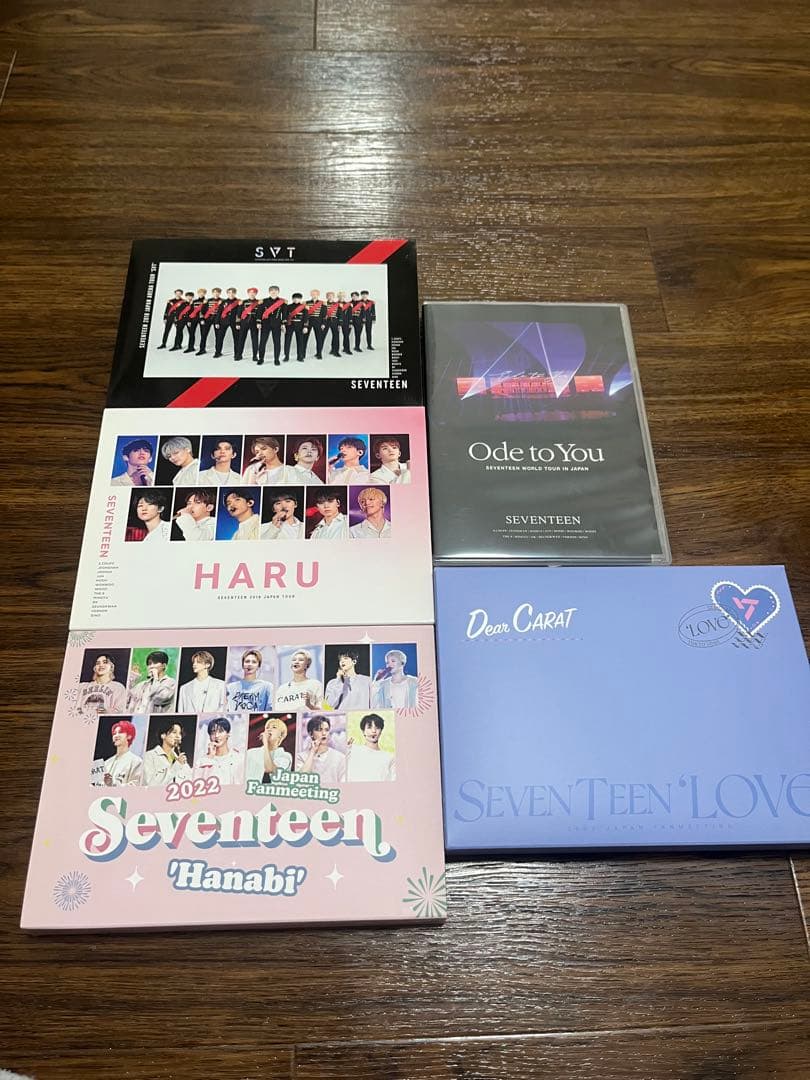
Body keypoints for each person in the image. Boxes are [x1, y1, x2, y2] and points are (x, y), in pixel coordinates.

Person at [142, 718, 192, 787]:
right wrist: (177, 765)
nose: (178, 736)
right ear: (163, 735)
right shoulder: (150, 756)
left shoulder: (183, 762)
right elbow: (149, 784)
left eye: (180, 733)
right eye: (174, 732)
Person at [296, 715, 346, 784]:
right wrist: (312, 752)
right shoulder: (300, 757)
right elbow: (300, 780)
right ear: (311, 734)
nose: (324, 733)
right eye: (319, 730)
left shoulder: (340, 757)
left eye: (327, 730)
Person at [346, 713, 395, 781]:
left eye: (377, 728)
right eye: (369, 727)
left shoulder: (389, 758)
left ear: (381, 731)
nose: (373, 731)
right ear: (363, 731)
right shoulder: (353, 750)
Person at [195, 716, 242, 786]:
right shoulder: (201, 762)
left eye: (220, 731)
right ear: (209, 736)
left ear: (228, 734)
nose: (216, 736)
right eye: (213, 732)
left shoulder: (239, 758)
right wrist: (209, 758)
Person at [245, 715, 293, 782]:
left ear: (281, 735)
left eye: (274, 727)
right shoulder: (251, 752)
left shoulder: (285, 756)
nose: (269, 729)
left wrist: (265, 743)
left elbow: (269, 769)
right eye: (267, 728)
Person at [100, 720, 143, 787]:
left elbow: (135, 786)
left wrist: (113, 784)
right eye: (114, 733)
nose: (116, 735)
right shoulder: (106, 763)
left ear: (129, 736)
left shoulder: (136, 761)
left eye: (120, 732)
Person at [257, 285, 286, 366]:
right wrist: (258, 322)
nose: (273, 292)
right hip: (265, 324)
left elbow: (284, 314)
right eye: (272, 291)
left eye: (275, 290)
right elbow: (259, 312)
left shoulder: (282, 302)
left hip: (277, 324)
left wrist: (283, 324)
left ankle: (276, 359)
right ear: (269, 292)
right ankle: (261, 359)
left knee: (277, 342)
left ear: (278, 292)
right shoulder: (263, 301)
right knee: (262, 342)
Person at [234, 287, 261, 362]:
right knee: (241, 339)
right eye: (250, 292)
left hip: (254, 323)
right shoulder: (243, 302)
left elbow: (259, 313)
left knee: (255, 340)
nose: (252, 294)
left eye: (254, 292)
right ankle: (239, 355)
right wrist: (237, 323)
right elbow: (238, 313)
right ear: (248, 293)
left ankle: (255, 356)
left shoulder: (259, 302)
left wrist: (258, 322)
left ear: (256, 294)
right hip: (244, 322)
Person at [213, 287, 241, 358]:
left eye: (233, 293)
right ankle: (218, 352)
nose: (231, 294)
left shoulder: (239, 302)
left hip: (234, 322)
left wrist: (238, 323)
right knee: (219, 337)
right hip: (223, 321)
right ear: (227, 293)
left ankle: (237, 354)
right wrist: (217, 322)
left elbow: (239, 313)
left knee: (236, 338)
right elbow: (219, 312)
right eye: (229, 293)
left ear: (235, 293)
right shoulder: (223, 302)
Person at [197, 287, 223, 356]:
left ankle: (218, 352)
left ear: (220, 293)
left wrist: (219, 321)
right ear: (212, 293)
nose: (216, 293)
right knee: (203, 335)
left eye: (217, 292)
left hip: (217, 319)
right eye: (214, 292)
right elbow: (202, 311)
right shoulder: (207, 300)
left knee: (218, 336)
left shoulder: (222, 301)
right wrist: (202, 319)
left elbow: (222, 312)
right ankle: (202, 349)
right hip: (207, 319)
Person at [283, 293, 308, 362]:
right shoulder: (288, 307)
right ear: (292, 299)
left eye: (298, 298)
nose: (296, 299)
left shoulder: (304, 307)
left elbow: (306, 317)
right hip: (289, 325)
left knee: (300, 342)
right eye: (294, 298)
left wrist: (305, 326)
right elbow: (285, 316)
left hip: (300, 326)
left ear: (300, 299)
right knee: (287, 342)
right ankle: (286, 356)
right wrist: (284, 325)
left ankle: (300, 357)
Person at [304, 289, 327, 359]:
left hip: (318, 322)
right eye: (312, 294)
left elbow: (324, 314)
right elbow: (304, 314)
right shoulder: (306, 303)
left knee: (319, 339)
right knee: (304, 338)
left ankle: (319, 354)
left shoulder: (322, 303)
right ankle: (302, 354)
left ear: (318, 295)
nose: (314, 295)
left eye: (315, 294)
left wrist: (323, 323)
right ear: (311, 295)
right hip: (308, 322)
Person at [183, 288, 208, 353]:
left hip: (202, 319)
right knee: (191, 333)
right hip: (194, 319)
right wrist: (189, 320)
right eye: (200, 292)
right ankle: (191, 347)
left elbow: (207, 311)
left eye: (203, 292)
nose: (201, 294)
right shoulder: (194, 301)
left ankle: (202, 349)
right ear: (198, 293)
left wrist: (203, 319)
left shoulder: (206, 301)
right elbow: (190, 311)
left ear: (205, 293)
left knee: (203, 334)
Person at [325, 291, 342, 357]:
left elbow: (340, 314)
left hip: (334, 321)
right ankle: (319, 353)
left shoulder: (337, 304)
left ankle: (335, 351)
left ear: (334, 297)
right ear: (326, 297)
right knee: (322, 336)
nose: (330, 297)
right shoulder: (324, 304)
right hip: (326, 321)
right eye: (329, 296)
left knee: (336, 336)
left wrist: (339, 324)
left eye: (331, 296)